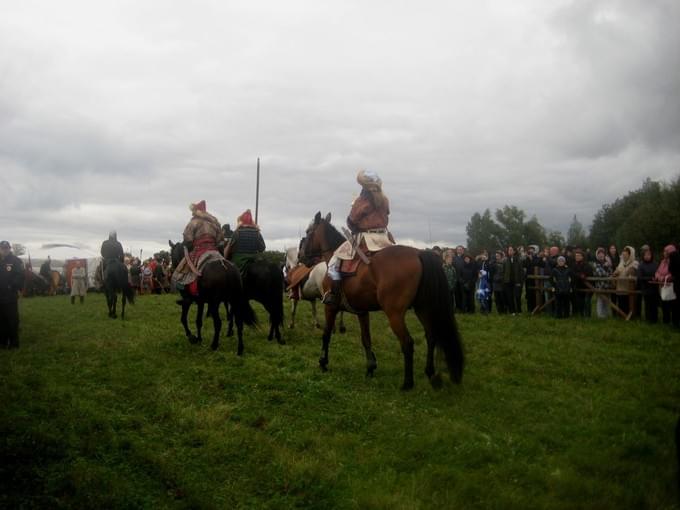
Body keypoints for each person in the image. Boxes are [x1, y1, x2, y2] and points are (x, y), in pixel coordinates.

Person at [324, 170, 392, 306]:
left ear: (364, 187)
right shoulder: (385, 200)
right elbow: (386, 214)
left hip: (365, 239)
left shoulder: (361, 201)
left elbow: (351, 221)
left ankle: (334, 295)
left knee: (333, 263)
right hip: (384, 239)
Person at [173, 200, 224, 297]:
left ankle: (184, 291)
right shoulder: (214, 223)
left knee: (181, 270)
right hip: (214, 250)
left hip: (199, 250)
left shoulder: (193, 222)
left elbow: (188, 240)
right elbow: (220, 239)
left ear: (196, 211)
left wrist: (189, 247)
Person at [0, 241, 25, 348]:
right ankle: (3, 341)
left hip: (10, 295)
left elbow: (20, 276)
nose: (4, 250)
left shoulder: (15, 260)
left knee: (12, 319)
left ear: (9, 249)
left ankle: (14, 343)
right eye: (2, 248)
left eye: (6, 248)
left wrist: (12, 286)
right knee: (1, 320)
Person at [655, 244, 678, 327]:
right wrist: (659, 277)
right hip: (663, 287)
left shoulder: (674, 261)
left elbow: (673, 273)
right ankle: (666, 321)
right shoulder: (662, 261)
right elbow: (657, 272)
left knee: (673, 305)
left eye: (666, 251)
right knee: (664, 304)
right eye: (664, 251)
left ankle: (675, 323)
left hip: (672, 287)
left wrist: (665, 277)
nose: (664, 253)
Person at [612, 246, 638, 316]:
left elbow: (632, 273)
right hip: (620, 287)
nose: (624, 256)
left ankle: (629, 316)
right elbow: (617, 271)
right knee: (621, 302)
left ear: (630, 255)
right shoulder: (621, 263)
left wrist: (630, 271)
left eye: (626, 255)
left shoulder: (634, 263)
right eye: (623, 255)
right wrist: (615, 273)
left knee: (629, 302)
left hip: (629, 288)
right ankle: (621, 316)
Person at [637, 247, 658, 323]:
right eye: (645, 255)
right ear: (643, 256)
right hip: (646, 288)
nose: (647, 256)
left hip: (655, 287)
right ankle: (648, 319)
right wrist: (650, 278)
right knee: (648, 305)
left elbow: (658, 273)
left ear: (651, 255)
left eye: (649, 255)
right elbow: (639, 277)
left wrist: (657, 278)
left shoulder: (655, 264)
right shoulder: (641, 265)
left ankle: (655, 319)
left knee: (654, 304)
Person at [571, 249, 593, 318]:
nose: (577, 257)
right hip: (578, 286)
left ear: (582, 256)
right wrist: (580, 275)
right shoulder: (573, 265)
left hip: (588, 286)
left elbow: (588, 273)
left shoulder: (587, 265)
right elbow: (572, 274)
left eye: (578, 255)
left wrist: (581, 275)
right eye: (576, 256)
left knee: (587, 302)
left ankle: (588, 316)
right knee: (580, 302)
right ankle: (582, 315)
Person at [593, 247, 613, 319]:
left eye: (602, 254)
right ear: (597, 255)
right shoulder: (595, 264)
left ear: (604, 255)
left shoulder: (608, 263)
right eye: (599, 254)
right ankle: (600, 315)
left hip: (608, 285)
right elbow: (600, 273)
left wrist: (608, 267)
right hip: (600, 286)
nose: (601, 255)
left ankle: (607, 314)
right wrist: (605, 267)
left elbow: (611, 273)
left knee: (607, 300)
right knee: (600, 300)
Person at [503, 245, 523, 315]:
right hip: (508, 282)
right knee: (510, 297)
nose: (510, 251)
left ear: (514, 251)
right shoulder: (505, 260)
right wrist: (504, 281)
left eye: (511, 250)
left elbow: (521, 272)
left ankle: (519, 310)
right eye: (509, 250)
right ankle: (512, 311)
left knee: (517, 296)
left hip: (516, 281)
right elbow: (503, 271)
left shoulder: (519, 260)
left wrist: (520, 282)